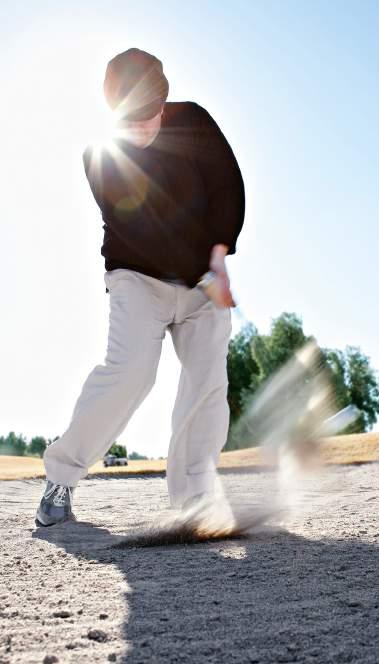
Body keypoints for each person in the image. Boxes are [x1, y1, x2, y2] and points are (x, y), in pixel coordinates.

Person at [35, 47, 245, 526]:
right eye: (135, 121)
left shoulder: (193, 122)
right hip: (137, 276)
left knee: (208, 380)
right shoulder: (101, 158)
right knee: (131, 371)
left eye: (152, 117)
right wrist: (201, 264)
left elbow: (227, 187)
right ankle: (61, 478)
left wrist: (218, 256)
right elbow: (147, 228)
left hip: (201, 277)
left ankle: (194, 498)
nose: (146, 129)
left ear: (164, 103)